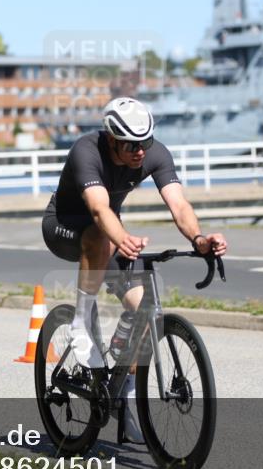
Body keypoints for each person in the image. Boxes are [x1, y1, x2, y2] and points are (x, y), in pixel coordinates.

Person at [42, 97, 227, 442]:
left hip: (109, 233)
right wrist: (122, 238)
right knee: (101, 236)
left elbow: (179, 205)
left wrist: (199, 239)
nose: (141, 151)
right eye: (131, 145)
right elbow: (99, 210)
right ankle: (81, 320)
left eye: (146, 141)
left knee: (143, 310)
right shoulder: (87, 151)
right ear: (112, 139)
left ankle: (122, 397)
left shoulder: (154, 153)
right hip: (64, 227)